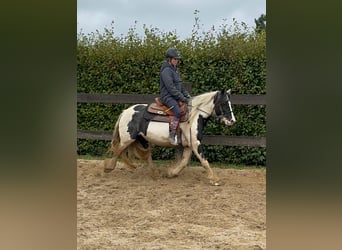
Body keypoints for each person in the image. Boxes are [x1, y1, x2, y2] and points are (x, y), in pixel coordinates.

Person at [159, 47, 191, 145]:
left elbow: (180, 86)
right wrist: (182, 98)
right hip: (167, 97)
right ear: (169, 59)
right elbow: (171, 88)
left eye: (177, 59)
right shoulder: (166, 71)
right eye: (175, 59)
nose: (176, 61)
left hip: (174, 96)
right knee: (177, 112)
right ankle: (172, 134)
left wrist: (188, 97)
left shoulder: (175, 70)